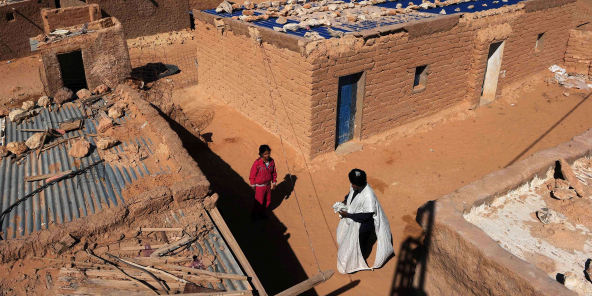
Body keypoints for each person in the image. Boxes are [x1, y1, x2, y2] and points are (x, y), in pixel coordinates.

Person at [336, 169, 394, 274]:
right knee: (348, 241)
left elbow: (366, 216)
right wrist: (345, 201)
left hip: (362, 227)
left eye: (354, 184)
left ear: (360, 184)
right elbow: (350, 194)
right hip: (353, 221)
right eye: (352, 183)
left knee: (359, 244)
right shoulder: (355, 185)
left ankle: (357, 260)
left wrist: (347, 215)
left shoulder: (369, 196)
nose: (352, 186)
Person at [249, 145, 277, 222]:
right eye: (265, 154)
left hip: (268, 185)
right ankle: (254, 215)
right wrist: (253, 184)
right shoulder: (257, 163)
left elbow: (274, 172)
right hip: (260, 186)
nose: (267, 155)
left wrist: (274, 182)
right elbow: (252, 174)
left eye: (268, 153)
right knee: (259, 202)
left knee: (267, 200)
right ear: (261, 154)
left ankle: (262, 213)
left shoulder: (272, 162)